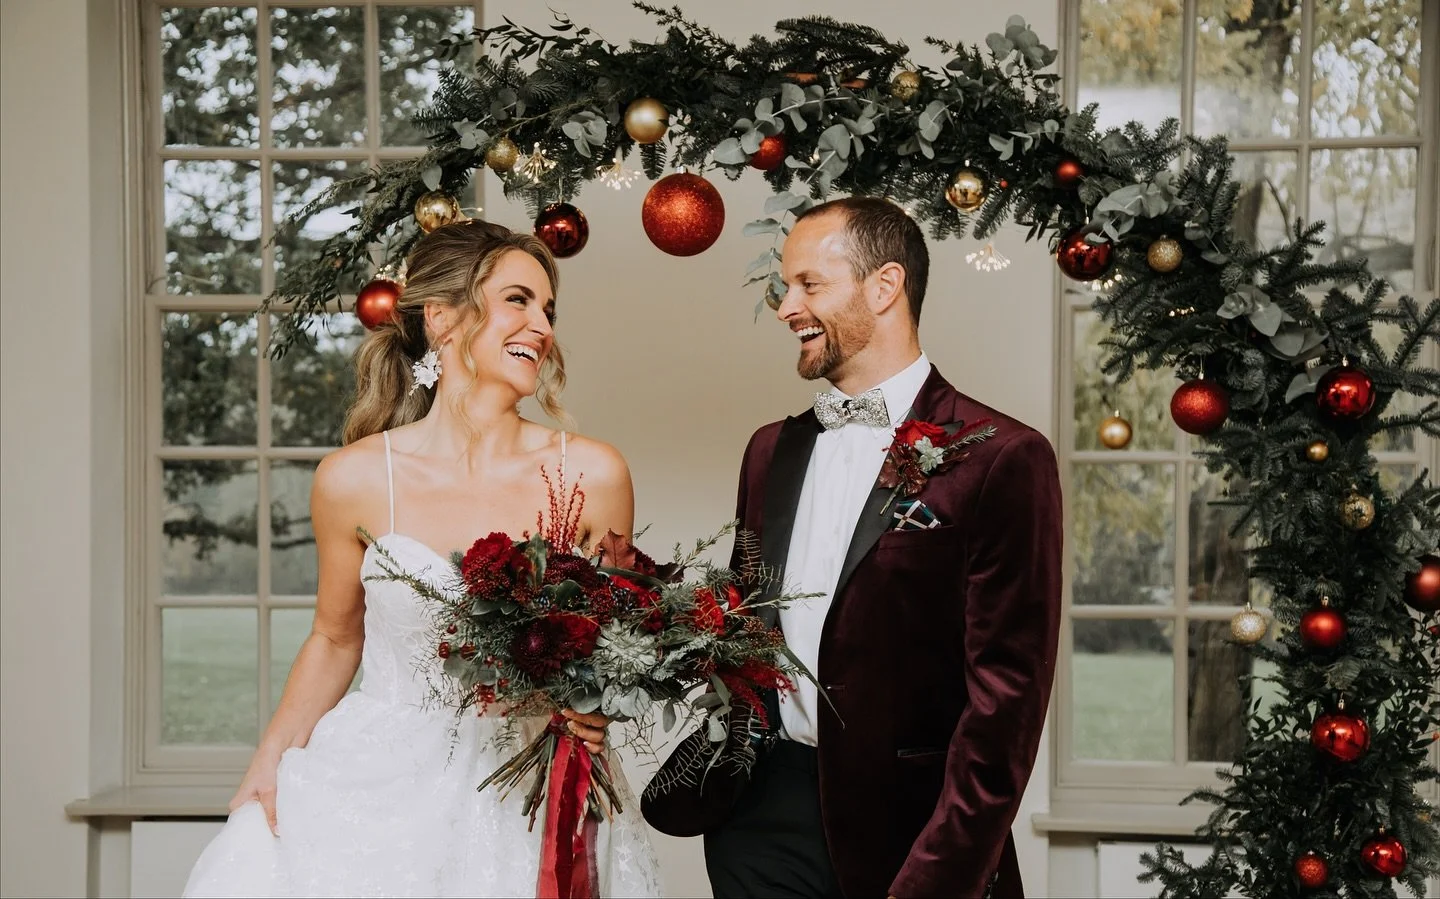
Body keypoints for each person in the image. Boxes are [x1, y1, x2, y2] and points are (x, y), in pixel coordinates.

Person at [183, 221, 663, 898]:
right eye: (518, 299)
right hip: (379, 789)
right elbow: (334, 638)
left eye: (549, 310)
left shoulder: (592, 473)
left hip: (534, 787)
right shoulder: (353, 479)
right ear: (441, 318)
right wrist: (267, 761)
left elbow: (617, 642)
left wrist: (599, 706)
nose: (542, 326)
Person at [693, 197, 1062, 898]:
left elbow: (1008, 700)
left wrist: (941, 873)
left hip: (912, 832)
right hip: (762, 825)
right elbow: (746, 627)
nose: (786, 308)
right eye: (785, 286)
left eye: (809, 284)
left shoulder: (1003, 457)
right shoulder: (769, 451)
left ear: (885, 285)